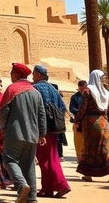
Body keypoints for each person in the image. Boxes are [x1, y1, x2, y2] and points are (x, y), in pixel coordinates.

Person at [0, 63, 46, 203]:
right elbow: (41, 114)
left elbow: (3, 112)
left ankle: (21, 185)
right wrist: (42, 134)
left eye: (12, 73)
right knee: (29, 165)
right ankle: (31, 198)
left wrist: (2, 128)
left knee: (9, 160)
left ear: (16, 74)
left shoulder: (12, 90)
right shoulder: (35, 92)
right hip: (33, 134)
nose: (10, 75)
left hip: (14, 133)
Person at [31, 65, 70, 198]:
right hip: (53, 130)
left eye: (34, 73)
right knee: (49, 157)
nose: (32, 76)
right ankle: (46, 189)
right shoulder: (53, 89)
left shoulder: (35, 89)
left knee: (47, 159)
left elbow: (35, 110)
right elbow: (62, 108)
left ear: (39, 74)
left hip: (41, 130)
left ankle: (62, 185)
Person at [76, 69, 109, 183]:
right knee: (106, 147)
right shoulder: (106, 93)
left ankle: (88, 174)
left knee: (90, 148)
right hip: (104, 122)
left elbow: (83, 108)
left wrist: (77, 120)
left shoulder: (88, 91)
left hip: (91, 123)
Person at [69, 80, 87, 161]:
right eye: (81, 87)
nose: (82, 89)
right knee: (79, 142)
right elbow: (71, 108)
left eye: (84, 87)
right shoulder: (75, 97)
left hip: (87, 121)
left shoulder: (89, 96)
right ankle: (80, 159)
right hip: (78, 122)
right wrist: (80, 111)